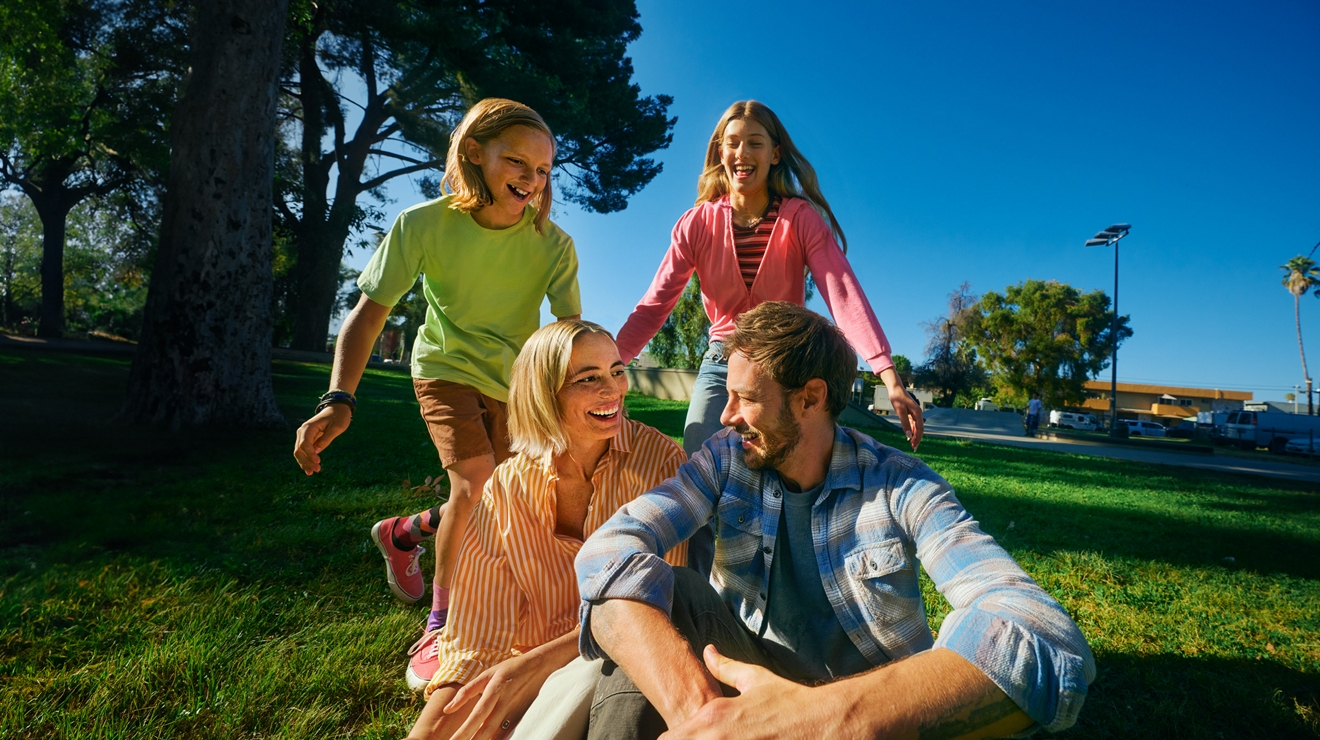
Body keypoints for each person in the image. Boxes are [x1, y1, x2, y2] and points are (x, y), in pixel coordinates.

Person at [575, 302, 1095, 740]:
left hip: (861, 714)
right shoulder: (724, 457)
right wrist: (704, 717)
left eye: (747, 398)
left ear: (811, 398)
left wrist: (823, 717)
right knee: (653, 597)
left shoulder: (902, 486)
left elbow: (1044, 637)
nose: (726, 415)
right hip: (741, 684)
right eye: (727, 394)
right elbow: (608, 552)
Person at [292, 98, 581, 689]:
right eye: (518, 162)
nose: (531, 180)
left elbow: (568, 334)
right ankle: (442, 626)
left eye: (544, 171)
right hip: (445, 369)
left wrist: (576, 395)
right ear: (476, 152)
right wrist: (337, 398)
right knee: (476, 485)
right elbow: (370, 314)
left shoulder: (553, 245)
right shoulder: (424, 224)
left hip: (515, 383)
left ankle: (404, 532)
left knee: (501, 500)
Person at [613, 100, 923, 572]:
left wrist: (888, 374)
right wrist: (608, 366)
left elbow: (842, 291)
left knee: (785, 476)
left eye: (754, 142)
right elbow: (656, 303)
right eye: (732, 143)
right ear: (720, 152)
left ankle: (791, 584)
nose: (742, 152)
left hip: (785, 368)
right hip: (723, 362)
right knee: (697, 472)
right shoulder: (696, 223)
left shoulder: (799, 218)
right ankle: (697, 598)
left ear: (775, 153)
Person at [406, 320, 691, 740]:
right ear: (544, 392)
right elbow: (475, 639)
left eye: (616, 371)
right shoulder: (506, 485)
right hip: (525, 669)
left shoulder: (662, 462)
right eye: (588, 378)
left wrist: (534, 666)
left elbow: (656, 607)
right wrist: (429, 729)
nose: (613, 390)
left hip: (619, 660)